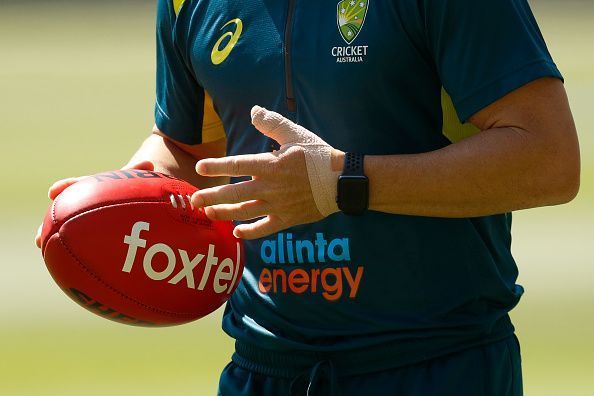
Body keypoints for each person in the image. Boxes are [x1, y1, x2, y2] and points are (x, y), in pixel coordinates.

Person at [37, 0, 581, 394]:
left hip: (436, 362)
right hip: (264, 367)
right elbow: (188, 146)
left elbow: (548, 159)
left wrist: (342, 183)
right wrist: (117, 197)